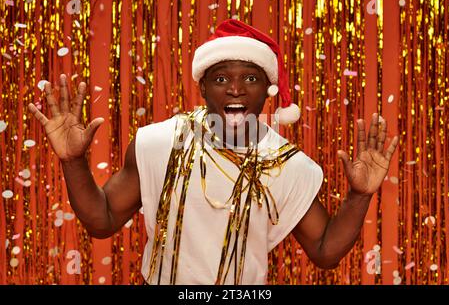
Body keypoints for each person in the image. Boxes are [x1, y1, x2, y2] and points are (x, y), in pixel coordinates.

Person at [28, 19, 398, 285]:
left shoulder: (290, 166)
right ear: (202, 86)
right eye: (221, 78)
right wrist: (73, 161)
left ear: (268, 89)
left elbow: (324, 250)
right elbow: (102, 220)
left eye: (250, 78)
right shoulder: (159, 142)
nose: (235, 89)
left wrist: (359, 196)